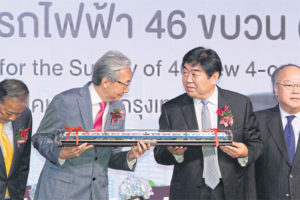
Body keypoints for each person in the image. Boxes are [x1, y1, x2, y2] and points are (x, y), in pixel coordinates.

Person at [32, 50, 150, 200]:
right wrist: (60, 153)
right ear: (106, 81)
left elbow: (111, 154)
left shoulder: (118, 108)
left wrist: (131, 155)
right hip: (61, 191)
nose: (127, 90)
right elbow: (40, 138)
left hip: (96, 193)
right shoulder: (67, 101)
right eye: (124, 84)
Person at [154, 47, 262, 200]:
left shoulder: (239, 104)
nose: (188, 79)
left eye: (195, 74)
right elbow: (159, 154)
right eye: (185, 72)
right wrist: (173, 153)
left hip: (231, 190)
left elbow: (255, 144)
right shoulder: (172, 109)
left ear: (214, 77)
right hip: (188, 191)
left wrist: (245, 152)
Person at [255, 64, 300, 200]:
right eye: (289, 85)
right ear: (276, 89)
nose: (296, 91)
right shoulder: (257, 121)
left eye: (299, 85)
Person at [0, 79, 32, 200]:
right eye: (8, 113)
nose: (13, 118)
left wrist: (19, 193)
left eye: (18, 114)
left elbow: (24, 161)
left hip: (13, 195)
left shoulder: (25, 116)